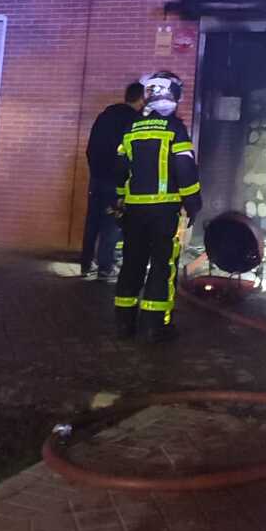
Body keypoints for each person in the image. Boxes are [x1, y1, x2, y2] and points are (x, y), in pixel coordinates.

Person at [113, 71, 202, 343]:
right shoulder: (175, 128)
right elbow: (185, 170)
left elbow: (120, 170)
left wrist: (119, 201)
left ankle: (124, 325)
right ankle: (155, 326)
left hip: (134, 211)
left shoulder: (131, 129)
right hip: (164, 212)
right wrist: (194, 203)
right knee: (162, 266)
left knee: (132, 264)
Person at [80, 81, 145, 279]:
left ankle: (86, 264)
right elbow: (130, 154)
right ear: (142, 99)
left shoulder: (104, 116)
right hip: (116, 180)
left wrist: (96, 171)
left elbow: (90, 149)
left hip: (97, 177)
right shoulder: (134, 121)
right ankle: (105, 267)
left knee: (92, 221)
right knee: (112, 222)